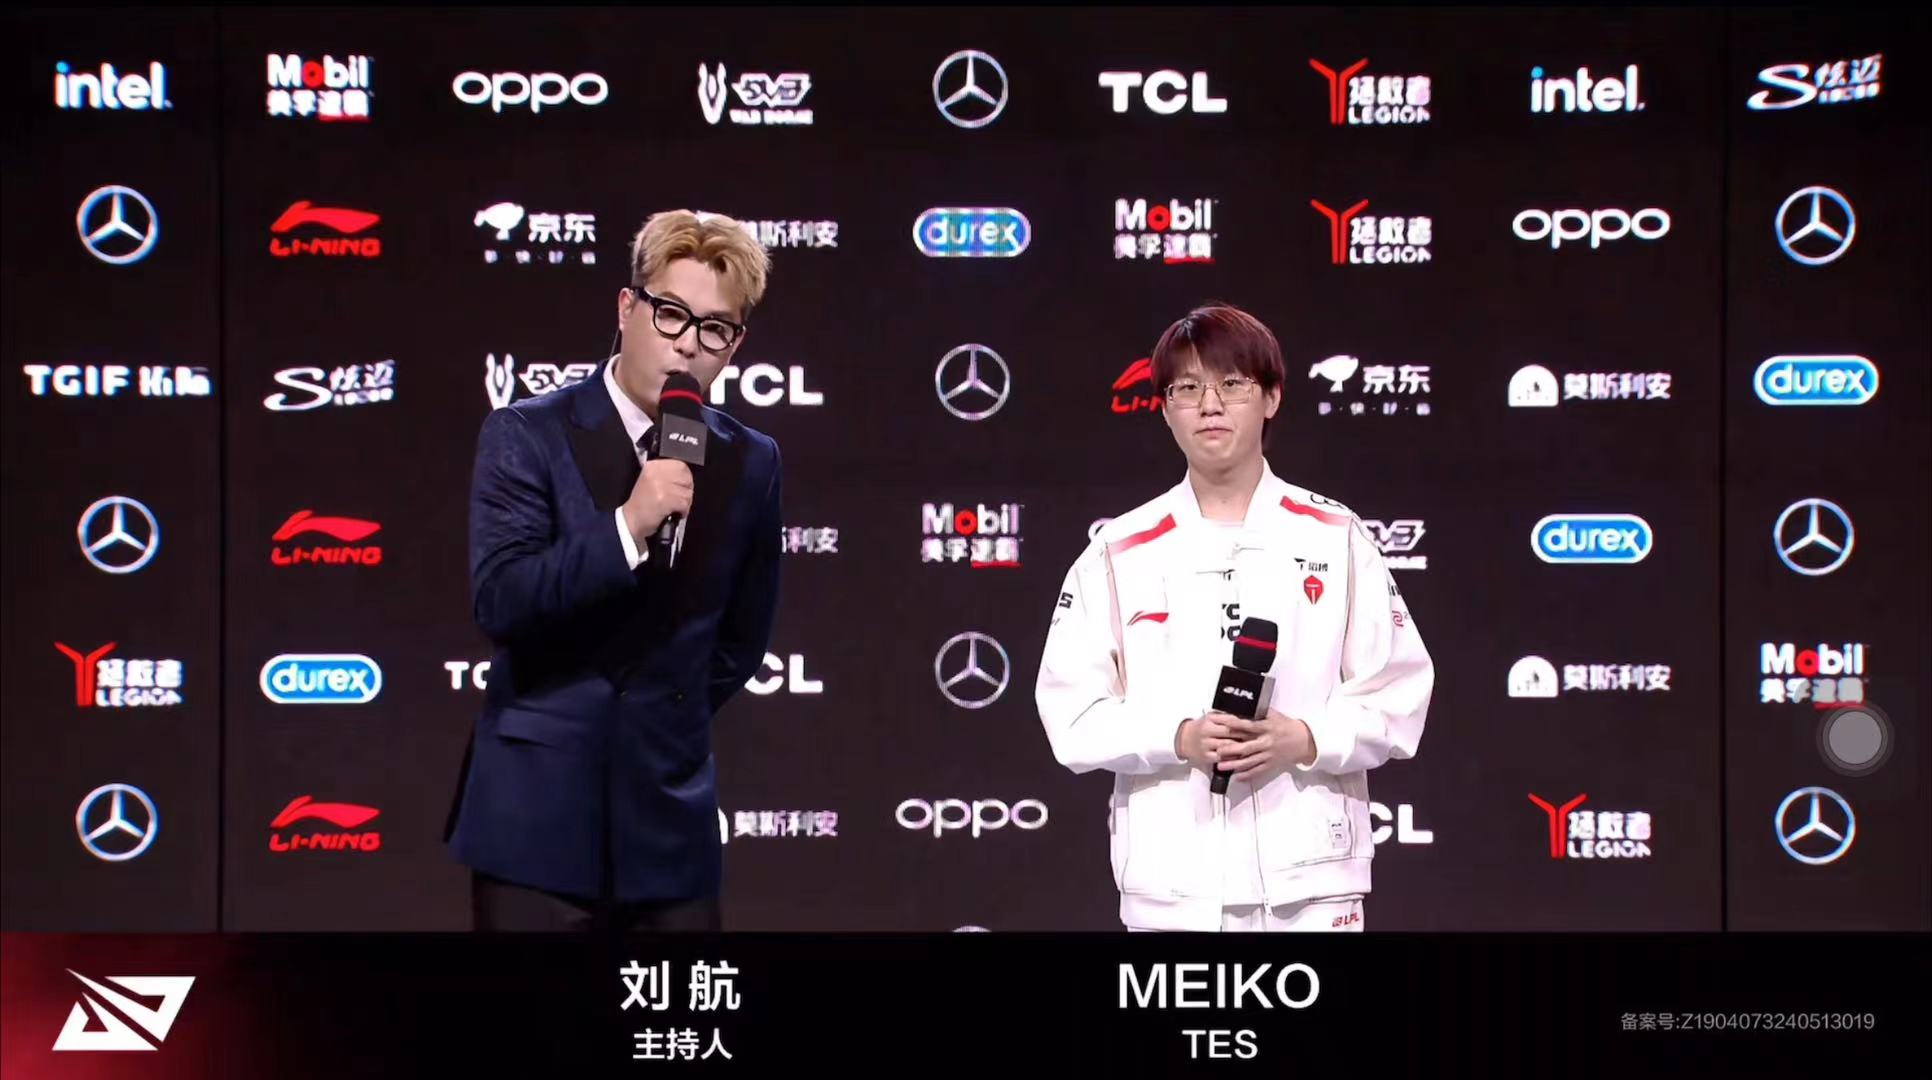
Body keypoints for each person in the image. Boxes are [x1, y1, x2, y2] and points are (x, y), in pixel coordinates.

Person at [1035, 302, 1433, 932]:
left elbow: (1398, 693)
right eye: (1187, 388)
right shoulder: (1118, 552)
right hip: (1172, 889)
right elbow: (1072, 715)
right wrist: (1179, 737)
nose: (1210, 405)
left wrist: (1304, 737)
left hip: (1314, 886)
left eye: (1232, 384)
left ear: (1271, 398)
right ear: (1165, 407)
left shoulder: (1335, 536)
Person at [444, 210, 782, 932]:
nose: (687, 344)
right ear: (627, 308)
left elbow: (740, 640)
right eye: (671, 314)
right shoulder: (527, 433)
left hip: (670, 824)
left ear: (735, 346)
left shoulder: (751, 461)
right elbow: (502, 599)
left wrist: (663, 715)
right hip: (534, 825)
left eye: (715, 329)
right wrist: (628, 526)